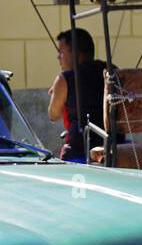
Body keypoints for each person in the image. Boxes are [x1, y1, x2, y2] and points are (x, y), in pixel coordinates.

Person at [46, 27, 109, 162]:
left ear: (76, 53)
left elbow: (53, 115)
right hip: (113, 148)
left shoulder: (65, 79)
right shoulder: (110, 70)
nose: (58, 57)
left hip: (80, 152)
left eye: (61, 52)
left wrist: (58, 89)